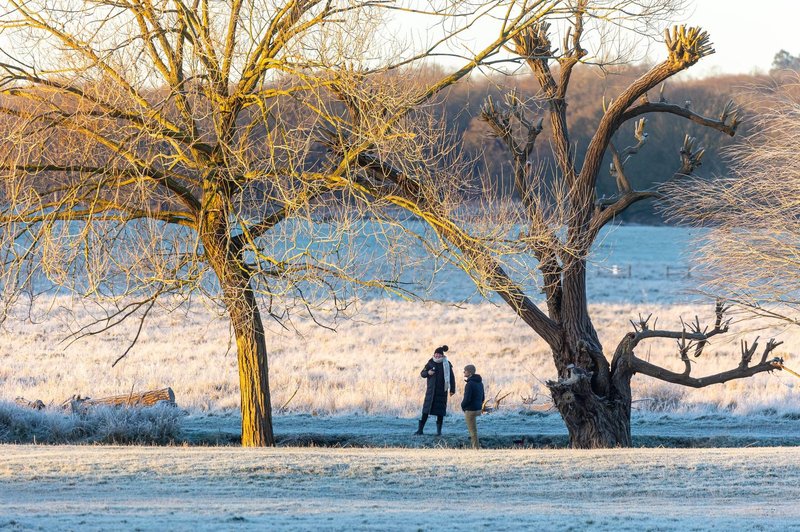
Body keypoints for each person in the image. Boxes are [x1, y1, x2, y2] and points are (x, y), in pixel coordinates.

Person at [414, 345, 456, 436]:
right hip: (431, 392)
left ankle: (438, 432)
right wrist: (428, 373)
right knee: (425, 411)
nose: (437, 356)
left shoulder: (447, 364)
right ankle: (420, 430)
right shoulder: (430, 363)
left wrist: (452, 389)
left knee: (440, 413)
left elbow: (452, 378)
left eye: (439, 355)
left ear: (442, 355)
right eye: (435, 354)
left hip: (442, 392)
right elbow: (422, 373)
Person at [461, 364, 485, 449]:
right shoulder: (480, 383)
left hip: (470, 410)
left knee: (472, 431)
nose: (464, 372)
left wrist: (462, 406)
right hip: (478, 409)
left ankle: (476, 448)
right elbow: (483, 398)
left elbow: (467, 398)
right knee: (474, 430)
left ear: (470, 372)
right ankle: (476, 447)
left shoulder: (469, 384)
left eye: (465, 370)